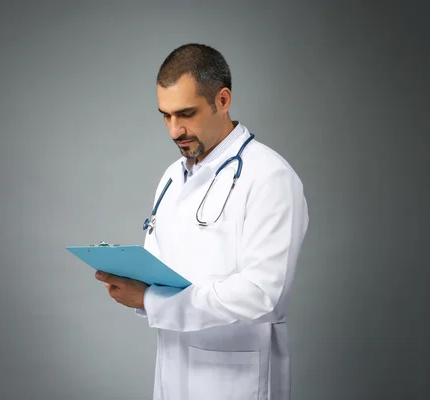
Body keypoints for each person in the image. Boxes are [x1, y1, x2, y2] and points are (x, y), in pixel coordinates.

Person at [94, 43, 309, 400]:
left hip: (237, 379)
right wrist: (131, 280)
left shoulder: (269, 176)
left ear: (222, 100)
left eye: (186, 113)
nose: (174, 130)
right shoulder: (172, 177)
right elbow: (163, 268)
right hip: (173, 371)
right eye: (165, 115)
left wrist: (151, 301)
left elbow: (262, 295)